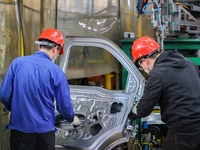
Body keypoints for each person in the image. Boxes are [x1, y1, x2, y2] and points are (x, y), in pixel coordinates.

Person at [0, 28, 80, 150]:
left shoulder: (17, 63)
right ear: (55, 49)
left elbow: (4, 95)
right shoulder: (57, 72)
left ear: (40, 46)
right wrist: (71, 118)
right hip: (44, 133)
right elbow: (64, 106)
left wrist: (15, 107)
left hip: (20, 130)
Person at [131, 36, 200, 150]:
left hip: (183, 132)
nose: (143, 68)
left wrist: (132, 109)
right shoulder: (190, 64)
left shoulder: (156, 74)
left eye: (140, 66)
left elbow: (143, 110)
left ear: (144, 61)